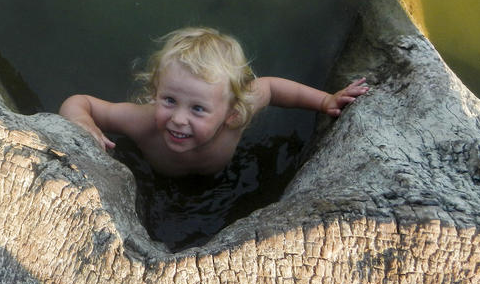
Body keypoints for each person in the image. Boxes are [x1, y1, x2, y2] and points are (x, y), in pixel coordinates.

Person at [59, 26, 369, 178]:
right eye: (169, 100)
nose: (178, 119)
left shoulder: (235, 120)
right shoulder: (143, 121)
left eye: (197, 108)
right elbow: (78, 101)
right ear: (155, 92)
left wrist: (325, 100)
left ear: (231, 113)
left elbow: (272, 88)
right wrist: (83, 122)